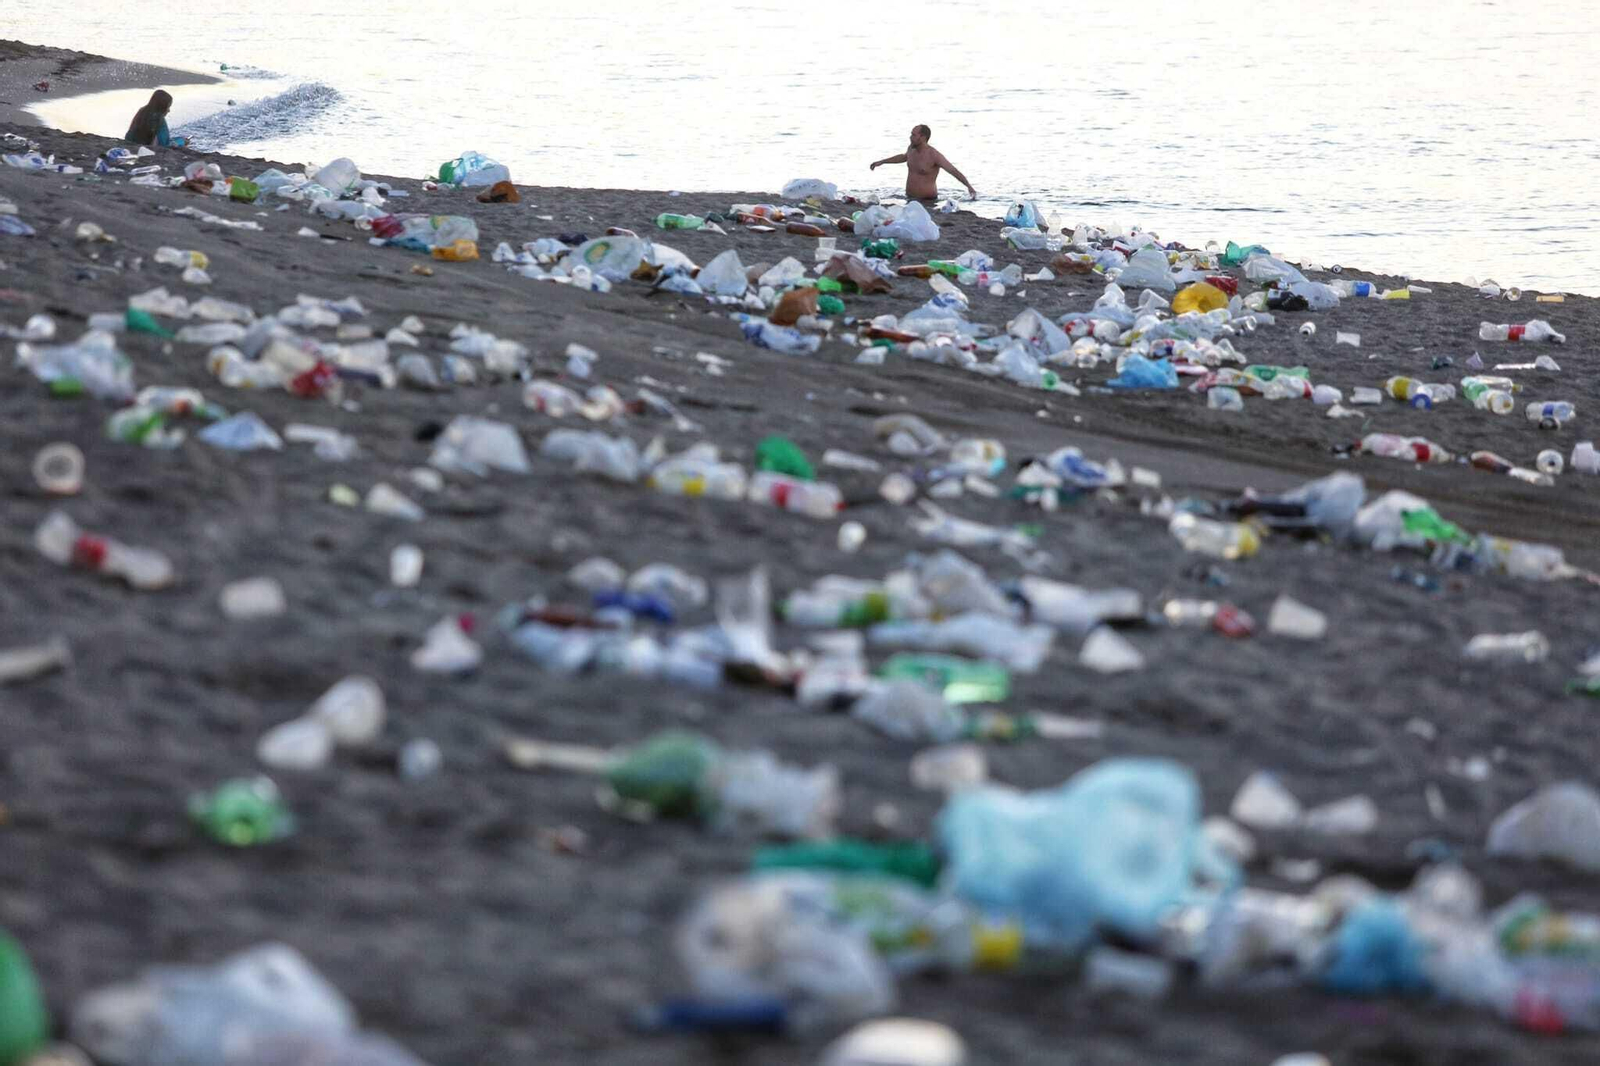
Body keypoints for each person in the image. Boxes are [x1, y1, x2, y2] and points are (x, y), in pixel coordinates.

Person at [869, 125, 975, 202]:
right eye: (911, 134)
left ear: (923, 137)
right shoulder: (911, 149)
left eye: (913, 135)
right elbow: (903, 157)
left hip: (928, 201)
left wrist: (969, 187)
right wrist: (882, 162)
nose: (910, 137)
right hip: (909, 198)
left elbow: (953, 170)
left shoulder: (934, 155)